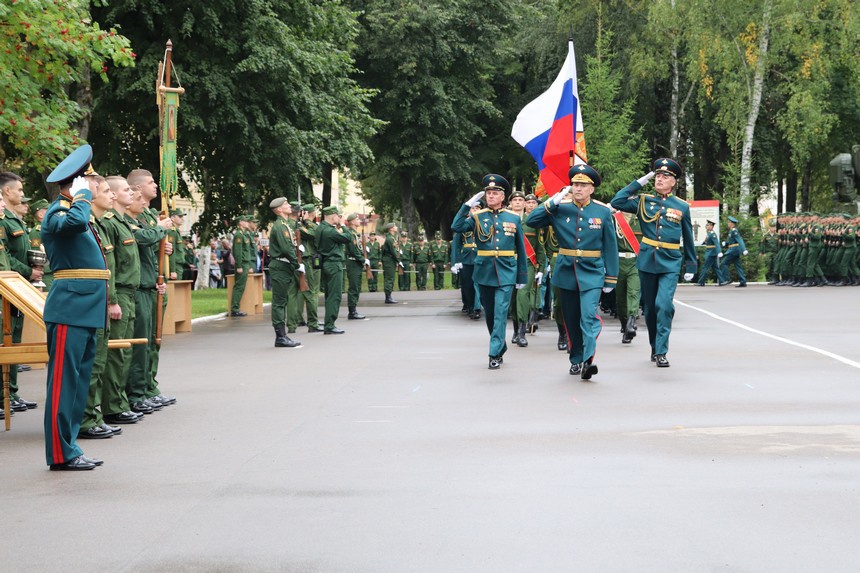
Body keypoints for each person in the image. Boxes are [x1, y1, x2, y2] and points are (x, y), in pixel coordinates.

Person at [40, 144, 108, 470]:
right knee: (63, 384)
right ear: (79, 182)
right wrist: (79, 197)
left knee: (78, 384)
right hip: (69, 307)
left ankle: (71, 447)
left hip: (86, 307)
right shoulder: (59, 212)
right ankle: (58, 453)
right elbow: (73, 226)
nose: (96, 187)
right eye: (92, 181)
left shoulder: (79, 211)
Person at [527, 164, 619, 379]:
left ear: (591, 189)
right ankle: (576, 358)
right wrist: (553, 201)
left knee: (588, 317)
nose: (577, 188)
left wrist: (611, 277)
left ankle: (588, 361)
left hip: (593, 271)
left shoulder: (602, 211)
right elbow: (531, 221)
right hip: (566, 271)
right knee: (571, 319)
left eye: (583, 185)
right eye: (575, 184)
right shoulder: (560, 207)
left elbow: (610, 246)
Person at [610, 158, 697, 368]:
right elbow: (617, 202)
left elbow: (688, 237)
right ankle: (654, 346)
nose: (660, 178)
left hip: (670, 261)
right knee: (649, 309)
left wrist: (692, 264)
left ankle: (662, 351)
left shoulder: (682, 207)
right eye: (657, 175)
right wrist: (639, 182)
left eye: (665, 176)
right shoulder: (642, 201)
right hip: (648, 260)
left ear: (673, 182)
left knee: (664, 305)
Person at [451, 174, 527, 370]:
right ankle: (500, 345)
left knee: (501, 312)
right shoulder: (477, 216)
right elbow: (456, 226)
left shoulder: (513, 217)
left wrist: (521, 276)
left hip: (506, 270)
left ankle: (493, 353)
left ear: (503, 196)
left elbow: (521, 247)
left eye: (495, 193)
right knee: (491, 315)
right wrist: (467, 206)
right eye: (488, 193)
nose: (490, 196)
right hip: (484, 270)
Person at [99, 176, 144, 425]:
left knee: (124, 351)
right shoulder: (110, 223)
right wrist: (112, 299)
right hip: (119, 294)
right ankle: (112, 406)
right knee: (115, 353)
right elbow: (111, 267)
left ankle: (119, 401)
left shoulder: (123, 222)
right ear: (114, 195)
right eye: (127, 189)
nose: (132, 192)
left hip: (130, 293)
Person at [0, 171, 43, 412]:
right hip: (10, 285)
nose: (22, 194)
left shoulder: (13, 219)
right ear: (6, 191)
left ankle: (11, 393)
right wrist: (28, 271)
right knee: (4, 343)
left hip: (16, 289)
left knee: (13, 342)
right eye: (19, 190)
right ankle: (3, 395)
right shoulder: (3, 221)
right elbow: (5, 258)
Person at [511, 193, 546, 347]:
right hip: (509, 264)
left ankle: (522, 331)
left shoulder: (532, 222)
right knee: (512, 298)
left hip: (527, 264)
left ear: (525, 204)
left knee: (523, 295)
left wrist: (541, 267)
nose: (518, 202)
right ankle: (515, 329)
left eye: (521, 200)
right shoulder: (505, 219)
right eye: (515, 200)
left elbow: (539, 246)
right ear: (510, 203)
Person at [267, 197, 303, 347]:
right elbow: (286, 249)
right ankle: (280, 336)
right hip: (281, 266)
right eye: (286, 204)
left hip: (284, 266)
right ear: (279, 209)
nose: (289, 206)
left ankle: (282, 335)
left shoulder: (285, 224)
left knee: (283, 300)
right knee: (279, 302)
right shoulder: (280, 226)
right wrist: (297, 264)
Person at [315, 206, 353, 333]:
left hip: (326, 263)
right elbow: (348, 238)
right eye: (338, 216)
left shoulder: (320, 228)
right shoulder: (330, 231)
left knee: (329, 295)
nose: (339, 218)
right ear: (332, 216)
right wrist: (343, 225)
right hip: (333, 263)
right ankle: (330, 325)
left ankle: (328, 323)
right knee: (334, 296)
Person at [612, 208, 642, 343]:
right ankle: (625, 324)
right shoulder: (614, 219)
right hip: (618, 262)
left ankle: (631, 320)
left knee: (633, 292)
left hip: (635, 261)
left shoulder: (640, 219)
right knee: (620, 299)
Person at [297, 204, 323, 332]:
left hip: (315, 258)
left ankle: (313, 319)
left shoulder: (311, 226)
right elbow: (314, 234)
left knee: (314, 291)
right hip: (307, 259)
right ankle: (310, 321)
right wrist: (306, 221)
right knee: (310, 291)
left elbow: (316, 233)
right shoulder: (300, 226)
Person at [345, 213, 369, 320]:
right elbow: (354, 251)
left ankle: (354, 309)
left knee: (357, 287)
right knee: (354, 287)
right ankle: (352, 312)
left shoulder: (356, 234)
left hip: (356, 263)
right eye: (357, 219)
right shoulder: (351, 234)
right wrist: (364, 260)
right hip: (353, 262)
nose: (359, 221)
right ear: (352, 222)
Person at [229, 216, 252, 316]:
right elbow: (237, 252)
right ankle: (235, 309)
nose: (247, 223)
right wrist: (239, 265)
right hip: (242, 263)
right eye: (245, 221)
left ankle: (236, 307)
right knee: (239, 286)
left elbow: (246, 251)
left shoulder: (244, 234)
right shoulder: (239, 235)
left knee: (241, 286)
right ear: (240, 223)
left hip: (245, 263)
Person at [719, 215, 748, 287]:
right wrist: (726, 243)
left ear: (732, 223)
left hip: (733, 250)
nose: (728, 224)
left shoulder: (734, 231)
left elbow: (739, 240)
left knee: (723, 263)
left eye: (729, 222)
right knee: (738, 266)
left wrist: (744, 249)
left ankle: (727, 279)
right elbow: (732, 241)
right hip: (734, 250)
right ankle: (743, 281)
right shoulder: (731, 231)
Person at [697, 219, 728, 286]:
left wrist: (719, 251)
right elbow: (709, 242)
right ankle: (722, 281)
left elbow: (716, 243)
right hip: (710, 252)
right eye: (706, 225)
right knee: (716, 268)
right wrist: (703, 242)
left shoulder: (712, 234)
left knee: (705, 267)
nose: (706, 226)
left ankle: (701, 282)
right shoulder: (708, 233)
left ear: (711, 226)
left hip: (711, 253)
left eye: (708, 225)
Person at [381, 223, 401, 304]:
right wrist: (398, 261)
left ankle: (389, 296)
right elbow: (393, 251)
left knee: (391, 278)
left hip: (391, 260)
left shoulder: (392, 238)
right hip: (389, 260)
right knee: (389, 278)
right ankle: (388, 297)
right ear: (391, 229)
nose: (396, 227)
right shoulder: (389, 239)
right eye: (395, 226)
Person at [167, 208, 186, 280]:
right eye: (180, 217)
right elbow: (171, 251)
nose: (182, 219)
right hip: (175, 265)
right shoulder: (172, 231)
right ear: (172, 218)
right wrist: (173, 270)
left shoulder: (176, 231)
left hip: (178, 265)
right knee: (175, 289)